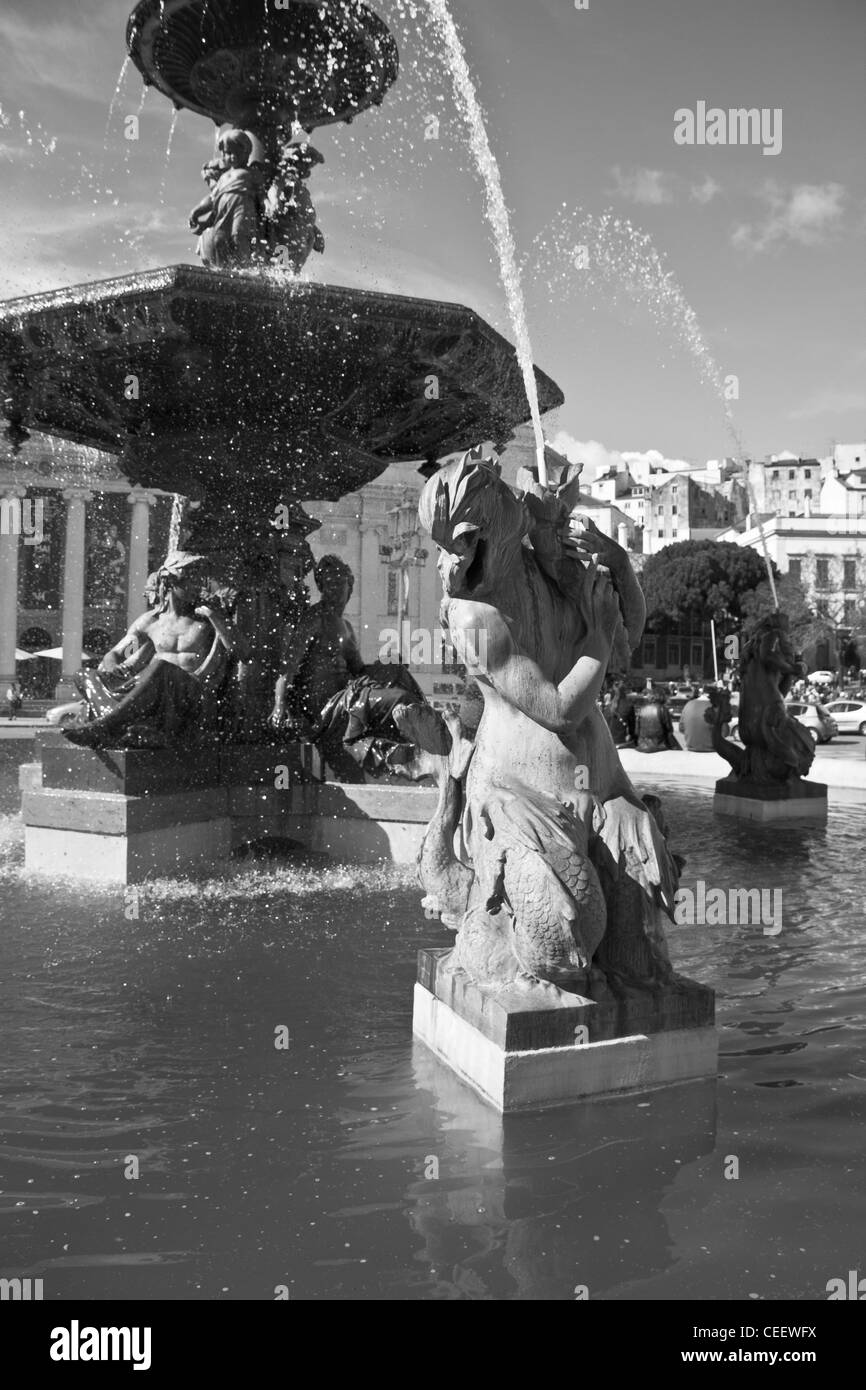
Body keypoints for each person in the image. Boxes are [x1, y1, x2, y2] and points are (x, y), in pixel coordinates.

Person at [270, 554, 425, 780]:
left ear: (349, 587)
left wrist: (387, 664)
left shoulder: (346, 627)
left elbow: (360, 671)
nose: (334, 591)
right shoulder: (315, 618)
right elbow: (288, 668)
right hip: (328, 707)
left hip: (349, 696)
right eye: (328, 585)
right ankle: (419, 746)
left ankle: (427, 738)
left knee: (398, 673)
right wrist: (279, 706)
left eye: (338, 584)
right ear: (321, 587)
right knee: (400, 699)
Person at [63, 552, 237, 747]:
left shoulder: (206, 619)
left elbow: (240, 652)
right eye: (190, 581)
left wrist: (216, 618)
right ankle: (110, 719)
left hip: (193, 695)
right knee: (84, 675)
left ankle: (107, 725)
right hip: (156, 693)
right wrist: (111, 669)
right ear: (170, 581)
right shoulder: (150, 622)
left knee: (161, 666)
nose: (197, 587)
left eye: (199, 581)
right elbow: (116, 653)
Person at [190, 130, 263, 268]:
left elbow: (262, 194)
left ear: (247, 152)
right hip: (222, 210)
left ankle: (246, 268)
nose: (232, 157)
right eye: (228, 153)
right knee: (219, 239)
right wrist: (197, 211)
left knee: (239, 235)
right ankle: (225, 269)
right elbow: (212, 198)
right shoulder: (223, 178)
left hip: (242, 207)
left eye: (236, 153)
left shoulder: (251, 173)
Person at [634, 686, 680, 752]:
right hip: (659, 745)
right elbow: (669, 730)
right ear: (662, 697)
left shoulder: (642, 709)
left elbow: (637, 731)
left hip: (642, 745)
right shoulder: (662, 709)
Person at [680, 685, 716, 752]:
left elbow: (681, 728)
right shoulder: (716, 707)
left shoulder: (688, 704)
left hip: (691, 749)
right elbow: (724, 732)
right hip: (712, 750)